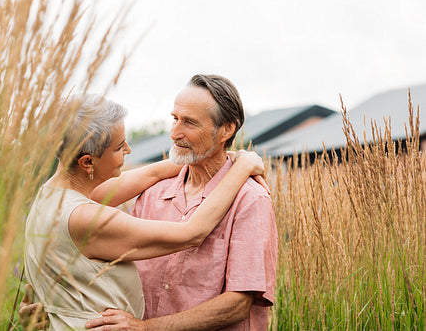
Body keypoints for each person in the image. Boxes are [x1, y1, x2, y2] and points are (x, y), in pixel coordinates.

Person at [22, 94, 266, 330]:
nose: (128, 149)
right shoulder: (86, 218)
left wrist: (213, 155)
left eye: (189, 121)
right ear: (88, 163)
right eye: (119, 147)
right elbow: (193, 232)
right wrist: (242, 166)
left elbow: (151, 173)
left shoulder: (49, 198)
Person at [84, 74, 278, 330]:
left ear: (226, 130)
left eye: (189, 123)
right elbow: (116, 260)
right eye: (174, 119)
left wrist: (145, 328)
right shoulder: (152, 192)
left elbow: (237, 304)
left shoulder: (251, 200)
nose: (174, 134)